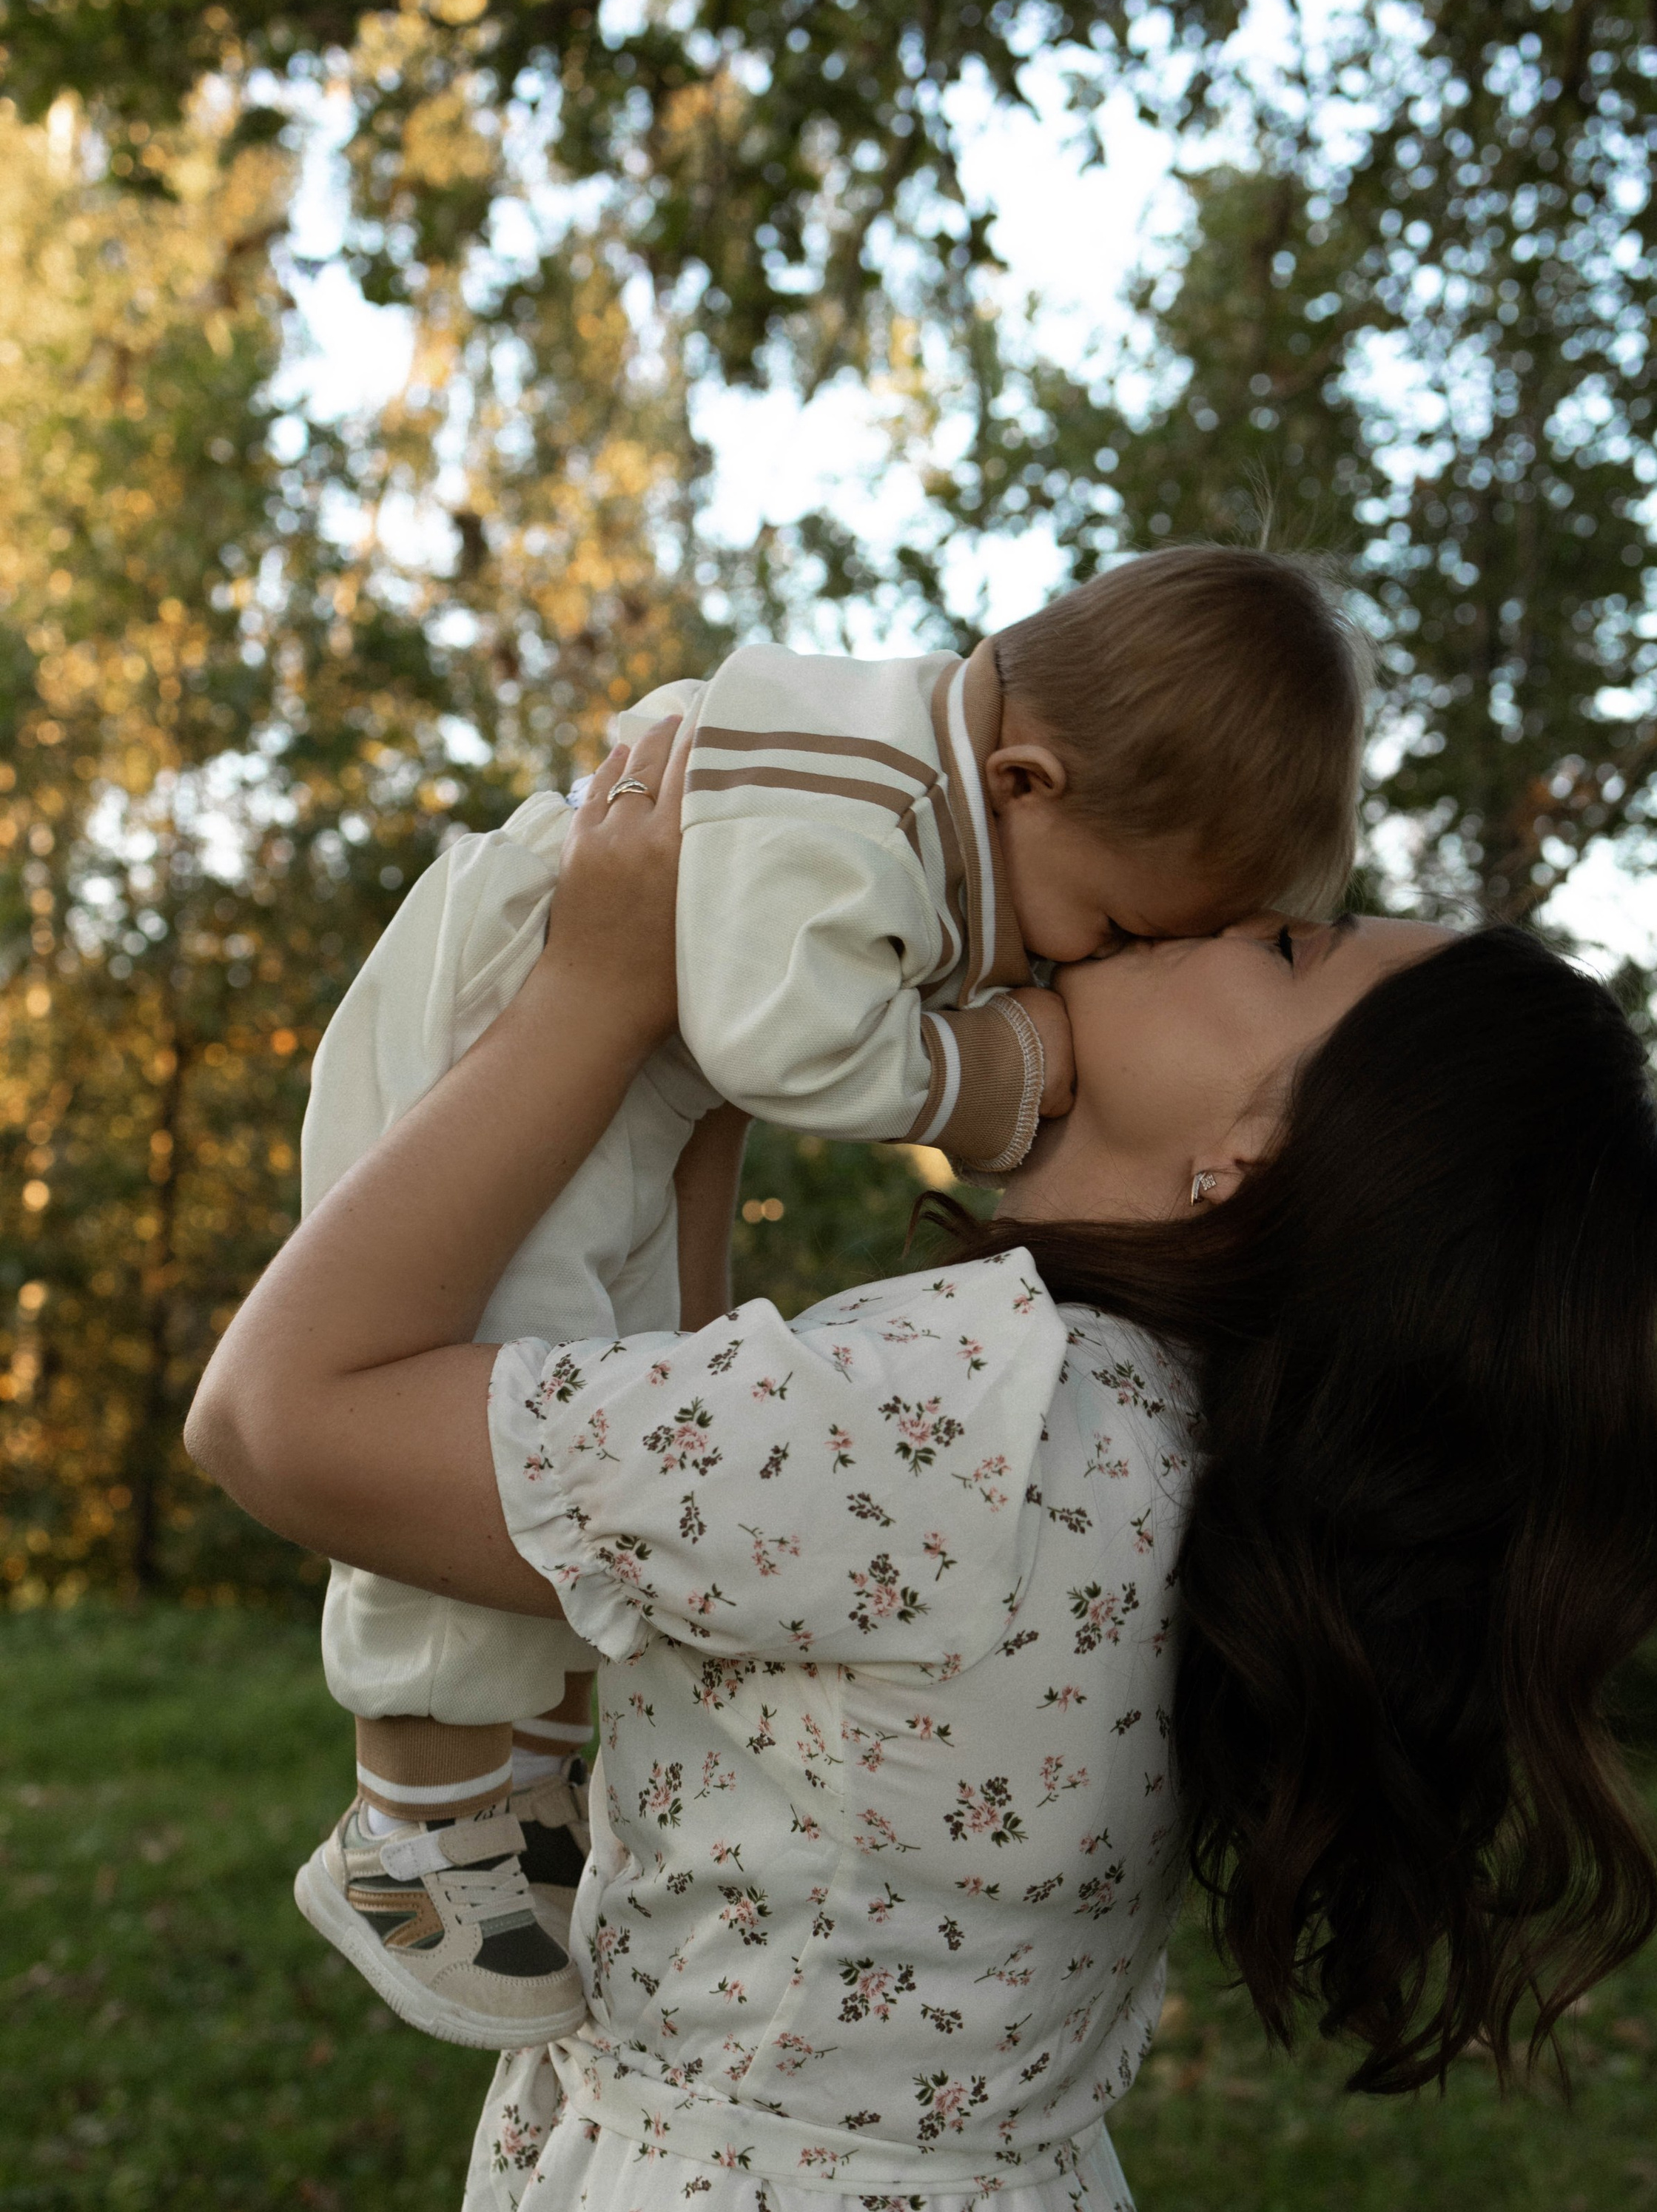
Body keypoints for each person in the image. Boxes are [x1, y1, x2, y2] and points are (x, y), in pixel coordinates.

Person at [186, 719, 1657, 2212]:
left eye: (1287, 953)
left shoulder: (952, 1408)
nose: (1221, 914)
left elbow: (281, 1417)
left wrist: (582, 999)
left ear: (1250, 1150)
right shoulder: (1167, 1446)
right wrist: (702, 1085)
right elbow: (644, 1486)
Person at [295, 544, 1371, 2048]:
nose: (1090, 969)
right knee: (497, 1383)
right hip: (489, 1041)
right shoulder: (864, 813)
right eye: (1118, 927)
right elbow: (777, 1043)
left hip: (601, 1088)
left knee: (586, 1387)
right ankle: (408, 1821)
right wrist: (994, 1080)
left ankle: (519, 1791)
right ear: (1026, 783)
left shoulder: (901, 785)